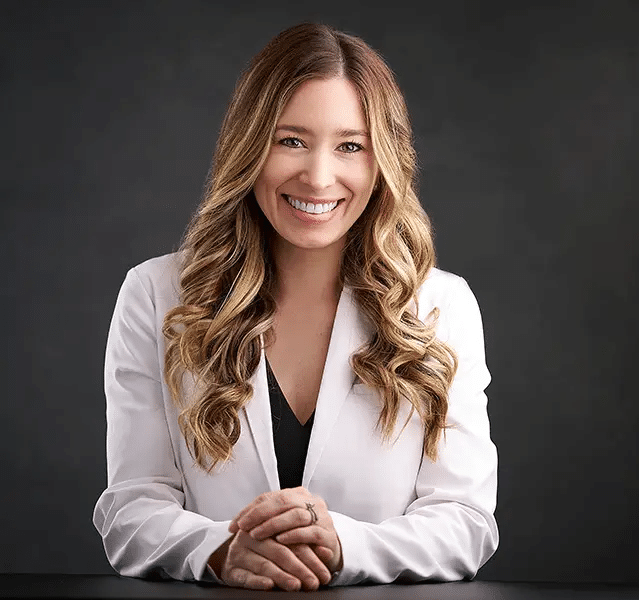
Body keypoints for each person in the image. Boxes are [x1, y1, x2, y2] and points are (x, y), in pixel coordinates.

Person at [93, 22, 498, 591]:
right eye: (291, 140)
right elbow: (131, 511)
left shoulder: (442, 306)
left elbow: (467, 523)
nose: (319, 176)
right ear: (249, 146)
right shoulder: (156, 295)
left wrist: (344, 547)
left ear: (381, 161)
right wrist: (221, 550)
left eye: (350, 146)